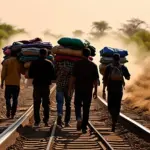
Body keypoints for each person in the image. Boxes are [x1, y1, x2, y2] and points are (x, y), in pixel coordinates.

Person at [68, 48, 99, 134]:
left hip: (78, 88)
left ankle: (78, 118)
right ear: (89, 55)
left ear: (81, 54)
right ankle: (84, 127)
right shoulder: (93, 65)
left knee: (77, 104)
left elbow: (73, 77)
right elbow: (95, 80)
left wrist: (70, 89)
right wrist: (95, 91)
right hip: (88, 89)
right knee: (86, 108)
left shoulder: (77, 64)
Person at [102, 53, 130, 132]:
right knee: (117, 106)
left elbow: (105, 80)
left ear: (112, 59)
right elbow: (128, 78)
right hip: (119, 90)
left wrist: (103, 90)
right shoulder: (123, 67)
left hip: (110, 90)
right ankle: (114, 121)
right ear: (119, 59)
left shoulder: (108, 67)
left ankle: (113, 117)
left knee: (110, 107)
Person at [28, 48, 55, 127]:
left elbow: (30, 75)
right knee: (46, 103)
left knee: (36, 103)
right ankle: (46, 120)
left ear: (39, 54)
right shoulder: (49, 63)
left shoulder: (34, 63)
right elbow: (53, 76)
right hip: (45, 86)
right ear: (46, 54)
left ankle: (37, 121)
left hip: (37, 85)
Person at [1, 51, 25, 119]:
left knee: (7, 98)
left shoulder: (6, 61)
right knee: (15, 99)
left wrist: (2, 82)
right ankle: (13, 114)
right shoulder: (19, 62)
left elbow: (3, 74)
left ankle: (8, 110)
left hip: (8, 83)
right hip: (16, 84)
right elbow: (23, 72)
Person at [55, 59, 75, 127]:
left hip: (60, 85)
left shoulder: (58, 62)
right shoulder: (73, 63)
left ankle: (60, 115)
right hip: (69, 87)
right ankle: (67, 122)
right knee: (68, 104)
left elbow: (54, 73)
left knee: (60, 102)